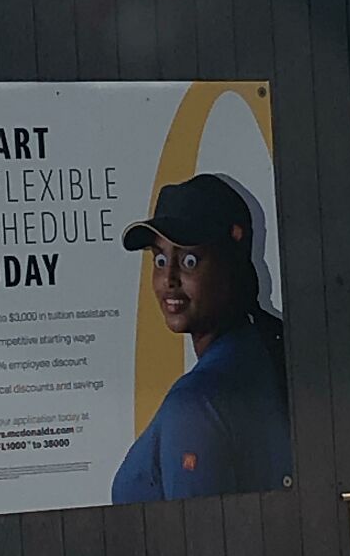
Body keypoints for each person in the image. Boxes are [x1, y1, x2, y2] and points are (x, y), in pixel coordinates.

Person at [111, 173, 292, 504]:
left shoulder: (195, 403)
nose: (169, 278)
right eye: (160, 259)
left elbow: (201, 545)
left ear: (232, 264)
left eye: (189, 260)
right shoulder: (265, 351)